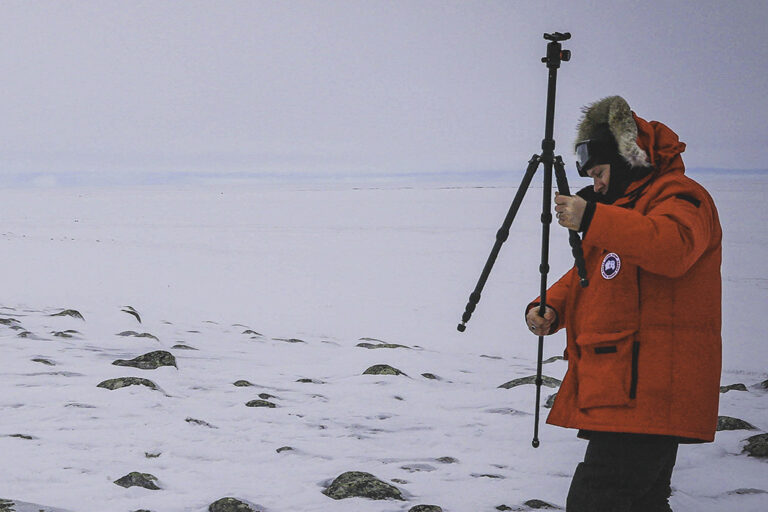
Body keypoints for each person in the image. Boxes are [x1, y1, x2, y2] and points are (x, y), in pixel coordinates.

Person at [525, 96, 722, 511]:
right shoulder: (625, 210)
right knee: (640, 501)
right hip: (623, 384)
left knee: (598, 499)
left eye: (599, 172)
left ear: (625, 158)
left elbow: (672, 249)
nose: (595, 184)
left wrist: (593, 218)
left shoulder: (681, 196)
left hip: (650, 384)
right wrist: (552, 305)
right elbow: (594, 268)